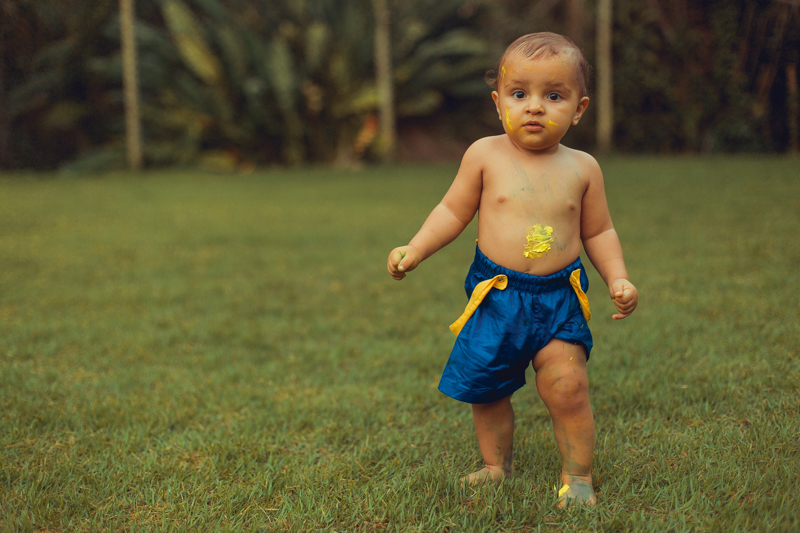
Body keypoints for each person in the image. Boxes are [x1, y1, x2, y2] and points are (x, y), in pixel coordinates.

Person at [386, 32, 638, 507]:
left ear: (579, 109)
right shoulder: (485, 155)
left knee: (567, 386)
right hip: (497, 296)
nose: (535, 107)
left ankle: (578, 476)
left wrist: (617, 277)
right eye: (520, 94)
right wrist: (415, 248)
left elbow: (599, 232)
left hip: (558, 298)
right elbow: (452, 212)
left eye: (554, 95)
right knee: (489, 387)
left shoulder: (583, 168)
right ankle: (496, 465)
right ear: (498, 102)